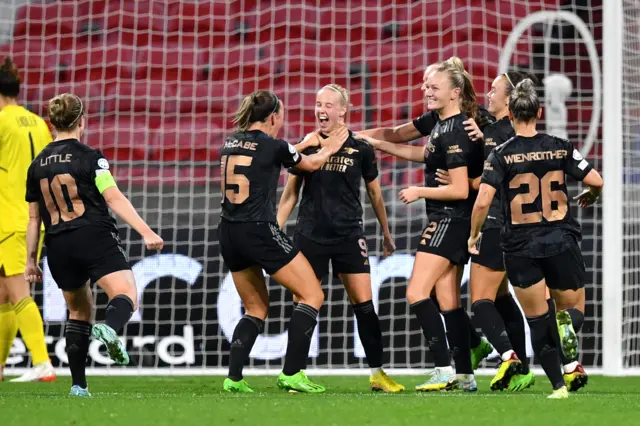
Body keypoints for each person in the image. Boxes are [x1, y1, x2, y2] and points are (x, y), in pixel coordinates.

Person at [468, 79, 603, 399]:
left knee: (537, 318)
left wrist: (474, 235)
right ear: (539, 112)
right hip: (560, 238)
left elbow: (484, 200)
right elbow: (596, 179)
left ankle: (558, 387)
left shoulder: (501, 154)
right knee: (572, 310)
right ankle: (567, 330)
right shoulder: (560, 145)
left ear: (511, 114)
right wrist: (592, 194)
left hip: (519, 244)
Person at [357, 57, 494, 370]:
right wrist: (375, 141)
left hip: (452, 216)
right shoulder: (442, 124)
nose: (426, 91)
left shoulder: (462, 127)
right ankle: (463, 374)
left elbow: (460, 189)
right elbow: (422, 153)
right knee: (447, 300)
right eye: (426, 86)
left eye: (433, 86)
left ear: (454, 92)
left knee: (418, 291)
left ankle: (443, 368)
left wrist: (420, 192)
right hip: (450, 216)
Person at [24, 93, 164, 397]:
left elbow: (34, 219)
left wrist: (30, 260)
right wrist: (145, 231)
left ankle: (78, 386)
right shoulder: (90, 157)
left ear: (51, 123)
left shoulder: (36, 166)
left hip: (57, 244)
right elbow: (113, 197)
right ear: (81, 121)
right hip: (93, 236)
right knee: (126, 294)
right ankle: (111, 329)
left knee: (78, 312)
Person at [219, 90, 348, 393]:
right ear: (274, 116)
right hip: (258, 230)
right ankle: (292, 373)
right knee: (313, 294)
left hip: (228, 231)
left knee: (256, 307)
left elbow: (274, 155)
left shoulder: (230, 142)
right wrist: (332, 146)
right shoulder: (274, 146)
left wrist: (301, 145)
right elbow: (310, 164)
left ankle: (233, 378)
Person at [277, 84, 403, 393]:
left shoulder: (361, 147)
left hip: (348, 234)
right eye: (318, 104)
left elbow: (374, 193)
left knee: (364, 303)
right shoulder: (305, 146)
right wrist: (275, 228)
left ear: (343, 110)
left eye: (328, 105)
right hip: (310, 235)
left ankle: (377, 374)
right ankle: (295, 374)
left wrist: (386, 234)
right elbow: (290, 193)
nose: (321, 110)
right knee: (303, 303)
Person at [438, 71, 536, 391]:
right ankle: (524, 365)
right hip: (522, 226)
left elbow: (487, 183)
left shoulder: (495, 132)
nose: (488, 95)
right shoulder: (522, 133)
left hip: (495, 224)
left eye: (494, 90)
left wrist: (461, 183)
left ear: (508, 100)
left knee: (480, 301)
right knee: (503, 296)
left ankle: (509, 357)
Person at [0, 57, 54, 382]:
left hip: (8, 218)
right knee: (3, 295)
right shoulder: (38, 122)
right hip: (34, 217)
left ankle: (43, 362)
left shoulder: (2, 122)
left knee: (18, 292)